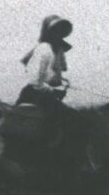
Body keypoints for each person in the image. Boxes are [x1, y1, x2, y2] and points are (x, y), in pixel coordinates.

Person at [16, 14, 74, 150]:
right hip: (36, 95)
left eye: (61, 31)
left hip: (49, 96)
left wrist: (62, 83)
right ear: (49, 32)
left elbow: (51, 74)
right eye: (55, 30)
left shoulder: (56, 50)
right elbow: (35, 81)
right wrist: (52, 90)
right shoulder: (44, 49)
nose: (58, 34)